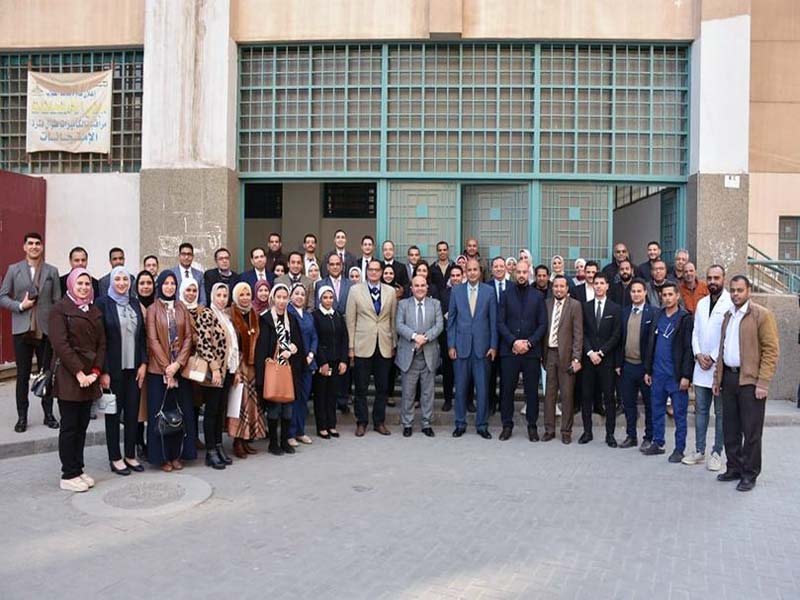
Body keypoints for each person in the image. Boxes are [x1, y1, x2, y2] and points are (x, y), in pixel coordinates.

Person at [713, 276, 780, 492]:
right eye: (732, 290)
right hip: (729, 379)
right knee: (730, 428)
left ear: (748, 291)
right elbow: (722, 350)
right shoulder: (728, 315)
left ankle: (750, 474)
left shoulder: (761, 315)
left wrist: (763, 382)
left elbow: (771, 351)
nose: (735, 294)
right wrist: (717, 379)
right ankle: (734, 467)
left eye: (740, 290)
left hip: (751, 381)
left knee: (751, 431)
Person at [48, 268, 105, 492]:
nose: (83, 287)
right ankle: (68, 474)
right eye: (79, 283)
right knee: (70, 426)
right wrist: (80, 372)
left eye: (87, 284)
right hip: (70, 376)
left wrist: (96, 372)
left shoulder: (93, 309)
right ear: (71, 284)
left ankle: (78, 469)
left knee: (82, 426)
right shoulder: (60, 309)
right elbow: (61, 345)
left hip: (90, 376)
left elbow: (102, 344)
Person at [0, 232, 62, 432]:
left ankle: (48, 414)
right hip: (22, 329)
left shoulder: (52, 271)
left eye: (38, 243)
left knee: (46, 374)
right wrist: (20, 305)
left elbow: (57, 301)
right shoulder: (13, 270)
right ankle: (22, 417)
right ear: (24, 247)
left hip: (45, 330)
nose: (34, 246)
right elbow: (2, 296)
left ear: (42, 247)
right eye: (31, 243)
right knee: (23, 375)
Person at [96, 267, 147, 476]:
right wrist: (104, 371)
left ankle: (130, 455)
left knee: (133, 413)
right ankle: (115, 457)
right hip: (113, 371)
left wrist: (144, 363)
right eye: (117, 279)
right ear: (111, 281)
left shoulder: (135, 302)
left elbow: (142, 336)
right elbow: (101, 340)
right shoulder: (102, 303)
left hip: (133, 370)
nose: (121, 283)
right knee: (113, 415)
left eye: (125, 279)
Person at [145, 271, 196, 471]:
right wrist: (167, 367)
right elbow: (153, 340)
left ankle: (177, 455)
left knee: (180, 413)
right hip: (159, 372)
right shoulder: (152, 309)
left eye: (172, 283)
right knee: (161, 415)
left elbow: (188, 339)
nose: (169, 287)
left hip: (179, 371)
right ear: (160, 286)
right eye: (165, 283)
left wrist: (177, 365)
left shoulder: (181, 308)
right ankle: (162, 457)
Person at [684, 264, 732, 470]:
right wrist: (698, 354)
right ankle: (699, 450)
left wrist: (711, 357)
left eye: (716, 278)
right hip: (700, 365)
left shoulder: (730, 303)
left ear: (723, 279)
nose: (712, 281)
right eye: (709, 278)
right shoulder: (702, 303)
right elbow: (695, 332)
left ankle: (716, 453)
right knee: (701, 410)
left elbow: (727, 334)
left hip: (718, 367)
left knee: (720, 413)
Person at [345, 259, 398, 437]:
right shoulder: (355, 290)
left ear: (382, 272)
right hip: (362, 344)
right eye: (371, 270)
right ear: (367, 272)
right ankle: (361, 421)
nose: (374, 273)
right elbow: (350, 320)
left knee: (382, 387)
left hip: (384, 344)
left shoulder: (390, 292)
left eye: (377, 270)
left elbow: (393, 319)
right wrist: (351, 347)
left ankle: (379, 421)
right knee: (361, 387)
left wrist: (394, 344)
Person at [643, 282, 694, 462]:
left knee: (679, 413)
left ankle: (680, 448)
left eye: (670, 295)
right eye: (664, 295)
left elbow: (689, 349)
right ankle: (658, 442)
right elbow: (651, 343)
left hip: (676, 375)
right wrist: (648, 370)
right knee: (657, 409)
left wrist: (687, 376)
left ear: (677, 296)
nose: (667, 298)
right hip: (658, 373)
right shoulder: (658, 316)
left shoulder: (685, 318)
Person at [497, 260, 548, 442]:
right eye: (518, 272)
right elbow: (500, 322)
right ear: (513, 273)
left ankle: (532, 426)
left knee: (532, 391)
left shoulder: (538, 296)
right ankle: (507, 425)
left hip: (531, 352)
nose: (521, 275)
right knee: (507, 390)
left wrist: (529, 343)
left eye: (524, 272)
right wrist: (513, 341)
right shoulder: (505, 294)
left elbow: (542, 324)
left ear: (529, 273)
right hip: (509, 351)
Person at [448, 258, 497, 439]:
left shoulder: (489, 292)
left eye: (475, 269)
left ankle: (482, 425)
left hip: (482, 349)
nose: (472, 273)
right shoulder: (456, 291)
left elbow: (493, 321)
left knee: (482, 389)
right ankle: (460, 423)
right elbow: (451, 321)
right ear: (465, 272)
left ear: (480, 271)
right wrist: (451, 344)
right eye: (469, 270)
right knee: (460, 388)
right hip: (461, 348)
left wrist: (493, 346)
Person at [255, 283, 306, 455]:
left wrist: (293, 348)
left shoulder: (292, 319)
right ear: (273, 298)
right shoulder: (266, 319)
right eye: (279, 297)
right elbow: (261, 348)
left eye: (285, 297)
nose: (282, 301)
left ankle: (285, 441)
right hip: (273, 370)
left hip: (290, 370)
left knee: (288, 408)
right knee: (275, 408)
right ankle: (273, 443)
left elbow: (299, 343)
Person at [193, 282, 237, 469]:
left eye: (224, 295)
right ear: (212, 296)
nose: (222, 298)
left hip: (227, 370)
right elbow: (203, 343)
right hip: (214, 372)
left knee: (219, 411)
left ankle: (218, 446)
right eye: (218, 295)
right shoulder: (207, 314)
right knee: (211, 411)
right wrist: (215, 368)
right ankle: (210, 451)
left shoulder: (226, 316)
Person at [396, 275, 444, 437]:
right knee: (408, 393)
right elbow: (399, 325)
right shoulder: (403, 304)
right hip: (409, 355)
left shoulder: (435, 304)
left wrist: (425, 338)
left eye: (423, 285)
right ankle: (407, 423)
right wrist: (414, 336)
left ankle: (426, 423)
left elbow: (439, 326)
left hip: (429, 355)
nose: (420, 288)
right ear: (411, 288)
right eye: (416, 286)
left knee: (427, 393)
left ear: (427, 287)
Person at [579, 273, 621, 446]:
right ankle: (587, 432)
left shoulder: (615, 308)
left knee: (609, 399)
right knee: (586, 397)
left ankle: (609, 434)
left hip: (607, 360)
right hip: (588, 360)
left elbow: (616, 335)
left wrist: (601, 352)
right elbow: (582, 332)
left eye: (601, 283)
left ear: (607, 286)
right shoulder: (585, 307)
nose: (598, 286)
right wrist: (590, 352)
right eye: (595, 283)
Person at [542, 275, 583, 444]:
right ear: (552, 288)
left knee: (567, 395)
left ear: (567, 288)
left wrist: (576, 357)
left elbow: (578, 334)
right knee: (549, 395)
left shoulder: (575, 305)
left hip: (566, 355)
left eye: (562, 286)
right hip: (549, 353)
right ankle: (549, 429)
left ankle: (566, 431)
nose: (558, 289)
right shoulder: (546, 304)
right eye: (556, 286)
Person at [227, 282, 267, 457]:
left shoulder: (254, 314)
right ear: (236, 296)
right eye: (241, 294)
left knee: (251, 404)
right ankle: (237, 441)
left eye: (247, 294)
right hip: (237, 364)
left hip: (252, 365)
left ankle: (246, 439)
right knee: (239, 404)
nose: (245, 298)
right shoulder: (230, 314)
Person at [616, 278, 655, 450]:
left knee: (649, 404)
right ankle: (631, 436)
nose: (636, 294)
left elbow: (654, 343)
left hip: (645, 368)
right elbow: (619, 339)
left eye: (639, 291)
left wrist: (650, 368)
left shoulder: (653, 313)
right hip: (627, 366)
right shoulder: (624, 313)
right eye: (633, 291)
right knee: (629, 404)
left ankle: (649, 436)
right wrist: (618, 364)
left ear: (645, 293)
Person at [312, 286, 348, 439]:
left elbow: (344, 339)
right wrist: (322, 361)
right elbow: (316, 340)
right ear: (320, 299)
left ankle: (332, 425)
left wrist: (343, 360)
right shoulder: (315, 316)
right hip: (323, 362)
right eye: (325, 297)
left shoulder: (338, 315)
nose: (328, 300)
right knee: (321, 394)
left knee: (332, 394)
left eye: (330, 298)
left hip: (336, 361)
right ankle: (322, 426)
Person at [287, 284, 317, 447]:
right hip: (294, 363)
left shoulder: (308, 316)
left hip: (308, 363)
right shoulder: (288, 314)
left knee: (304, 398)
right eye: (296, 293)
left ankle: (300, 431)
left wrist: (311, 354)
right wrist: (300, 357)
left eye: (302, 294)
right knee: (293, 398)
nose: (299, 297)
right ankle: (290, 433)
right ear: (291, 296)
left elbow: (314, 337)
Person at [134, 270, 156, 458]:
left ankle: (154, 441)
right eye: (142, 283)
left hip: (157, 362)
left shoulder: (158, 306)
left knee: (153, 405)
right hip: (140, 362)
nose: (146, 286)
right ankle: (139, 442)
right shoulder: (133, 306)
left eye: (149, 282)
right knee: (140, 406)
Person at [439, 264, 462, 412]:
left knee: (466, 371)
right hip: (447, 336)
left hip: (465, 336)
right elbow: (440, 312)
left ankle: (466, 400)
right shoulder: (443, 293)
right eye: (452, 276)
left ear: (462, 276)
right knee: (448, 370)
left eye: (458, 275)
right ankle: (448, 399)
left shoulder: (468, 292)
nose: (455, 278)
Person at [488, 257, 508, 415]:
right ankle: (491, 403)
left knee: (506, 374)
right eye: (496, 266)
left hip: (508, 338)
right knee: (490, 374)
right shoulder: (485, 287)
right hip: (489, 338)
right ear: (492, 269)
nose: (499, 269)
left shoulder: (513, 287)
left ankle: (504, 403)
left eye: (502, 266)